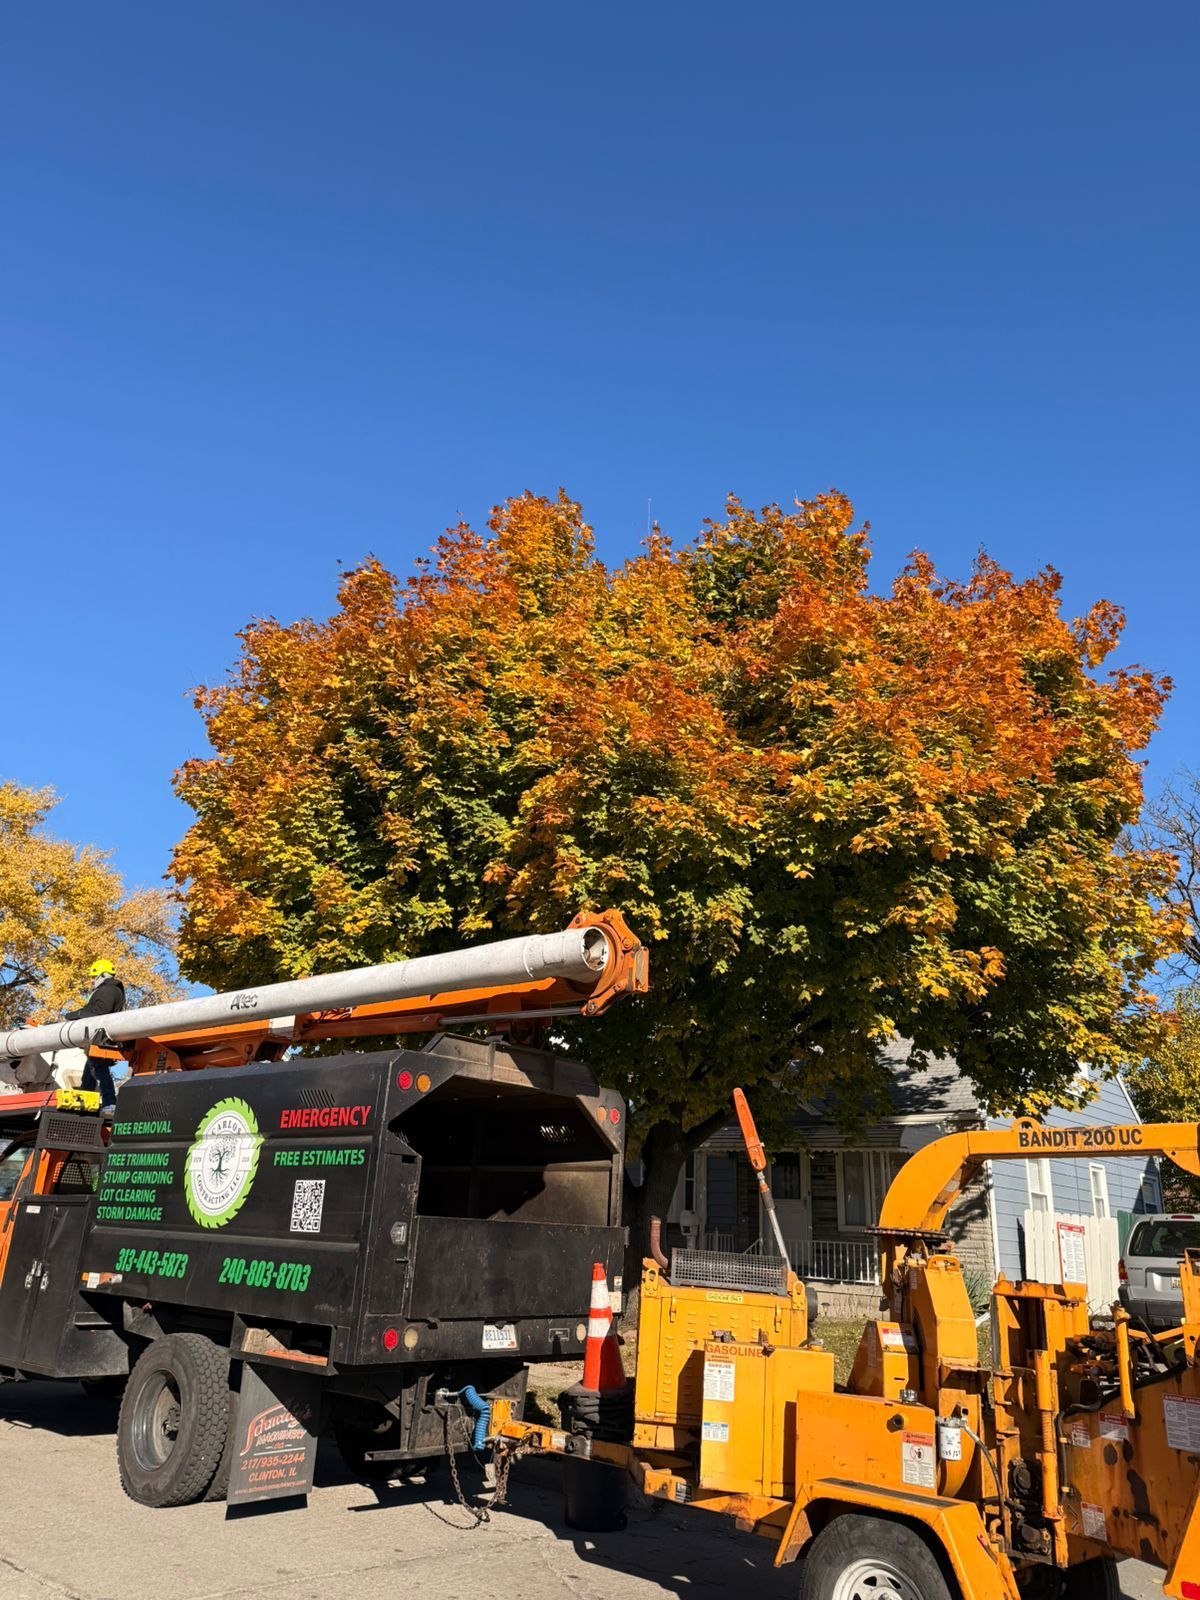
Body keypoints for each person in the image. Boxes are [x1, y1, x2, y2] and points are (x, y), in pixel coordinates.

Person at [65, 959, 126, 1113]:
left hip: (100, 1038)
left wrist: (76, 1014)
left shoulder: (107, 991)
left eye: (94, 976)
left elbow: (99, 1012)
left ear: (103, 975)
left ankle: (109, 1102)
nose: (92, 980)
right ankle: (85, 1103)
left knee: (98, 1069)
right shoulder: (114, 990)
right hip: (100, 1038)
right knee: (89, 1074)